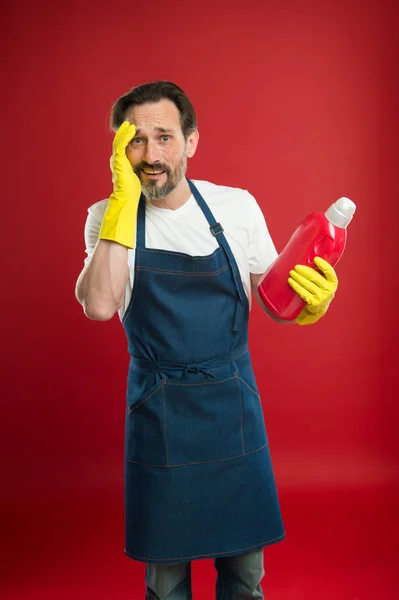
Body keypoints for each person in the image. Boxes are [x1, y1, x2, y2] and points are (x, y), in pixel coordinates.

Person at [75, 81, 338, 600]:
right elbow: (100, 304)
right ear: (119, 149)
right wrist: (122, 207)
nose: (151, 155)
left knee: (245, 574)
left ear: (192, 141)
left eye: (165, 137)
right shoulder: (106, 218)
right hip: (160, 413)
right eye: (136, 139)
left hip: (231, 408)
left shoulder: (235, 208)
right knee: (167, 580)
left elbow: (276, 299)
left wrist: (310, 306)